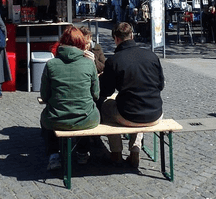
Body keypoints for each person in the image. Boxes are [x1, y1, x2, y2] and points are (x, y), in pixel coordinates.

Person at [99, 22, 164, 168]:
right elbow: (160, 85)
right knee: (137, 103)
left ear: (116, 39)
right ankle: (135, 149)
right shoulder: (151, 56)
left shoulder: (114, 61)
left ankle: (116, 152)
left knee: (106, 106)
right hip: (155, 113)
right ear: (132, 35)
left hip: (129, 115)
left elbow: (105, 92)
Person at [40, 26, 100, 170]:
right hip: (86, 119)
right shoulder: (89, 64)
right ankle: (82, 152)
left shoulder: (51, 64)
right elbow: (96, 94)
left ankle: (54, 155)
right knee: (87, 110)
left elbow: (44, 96)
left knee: (46, 117)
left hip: (57, 118)